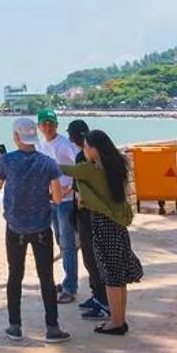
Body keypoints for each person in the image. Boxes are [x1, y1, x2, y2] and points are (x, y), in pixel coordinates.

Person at [0, 117, 70, 342]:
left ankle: (15, 326)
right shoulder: (47, 163)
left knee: (15, 275)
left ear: (16, 137)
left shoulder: (7, 161)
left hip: (15, 227)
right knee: (46, 277)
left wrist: (0, 162)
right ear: (34, 136)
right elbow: (56, 197)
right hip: (41, 228)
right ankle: (52, 328)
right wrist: (63, 192)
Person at [59, 129, 141, 335]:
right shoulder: (117, 166)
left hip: (103, 225)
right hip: (118, 225)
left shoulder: (90, 170)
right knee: (119, 275)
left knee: (110, 276)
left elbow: (61, 169)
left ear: (95, 149)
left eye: (86, 147)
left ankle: (115, 322)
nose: (84, 151)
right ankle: (119, 318)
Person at [35, 109, 80, 303]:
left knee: (68, 244)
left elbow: (80, 168)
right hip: (49, 200)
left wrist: (69, 189)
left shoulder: (64, 144)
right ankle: (67, 279)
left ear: (56, 125)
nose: (47, 126)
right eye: (44, 123)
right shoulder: (40, 145)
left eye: (51, 123)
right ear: (38, 126)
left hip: (66, 202)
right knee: (60, 241)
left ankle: (70, 287)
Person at [64, 119, 104, 316]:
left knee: (91, 258)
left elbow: (79, 190)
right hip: (97, 214)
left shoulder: (82, 157)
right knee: (95, 258)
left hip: (87, 215)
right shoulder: (100, 156)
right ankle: (98, 296)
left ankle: (101, 299)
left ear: (71, 136)